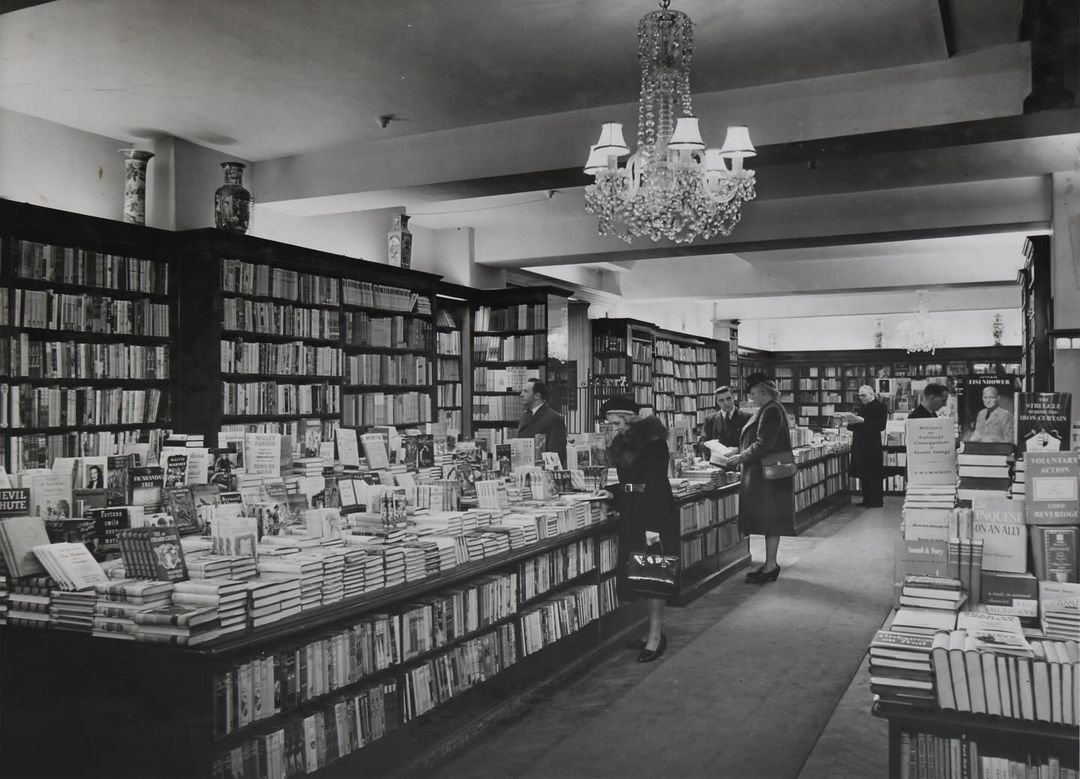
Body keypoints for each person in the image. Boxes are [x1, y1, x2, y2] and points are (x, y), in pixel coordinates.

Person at [599, 395, 676, 662]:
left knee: (654, 573)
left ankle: (655, 637)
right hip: (633, 512)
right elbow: (629, 482)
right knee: (642, 574)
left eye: (618, 422)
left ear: (631, 418)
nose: (615, 427)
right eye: (611, 423)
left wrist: (653, 527)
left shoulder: (654, 442)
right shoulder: (623, 442)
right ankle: (651, 631)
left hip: (652, 514)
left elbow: (654, 483)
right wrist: (611, 494)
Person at [713, 373, 795, 583]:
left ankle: (770, 567)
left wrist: (740, 456)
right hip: (766, 475)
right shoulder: (770, 409)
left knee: (771, 521)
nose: (751, 399)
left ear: (762, 392)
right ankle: (770, 564)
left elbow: (763, 444)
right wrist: (737, 451)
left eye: (753, 394)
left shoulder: (771, 411)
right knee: (770, 521)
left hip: (767, 476)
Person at [846, 384, 888, 508]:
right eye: (859, 396)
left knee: (873, 473)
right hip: (860, 444)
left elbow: (880, 426)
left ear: (872, 394)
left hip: (872, 445)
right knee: (863, 473)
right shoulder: (863, 407)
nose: (861, 398)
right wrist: (851, 421)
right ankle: (866, 499)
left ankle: (876, 501)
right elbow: (852, 427)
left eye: (863, 395)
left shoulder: (880, 407)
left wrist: (862, 421)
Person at [515, 378, 567, 468]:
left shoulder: (554, 418)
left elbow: (557, 454)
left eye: (526, 391)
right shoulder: (525, 415)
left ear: (537, 395)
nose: (521, 394)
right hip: (524, 470)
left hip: (541, 474)